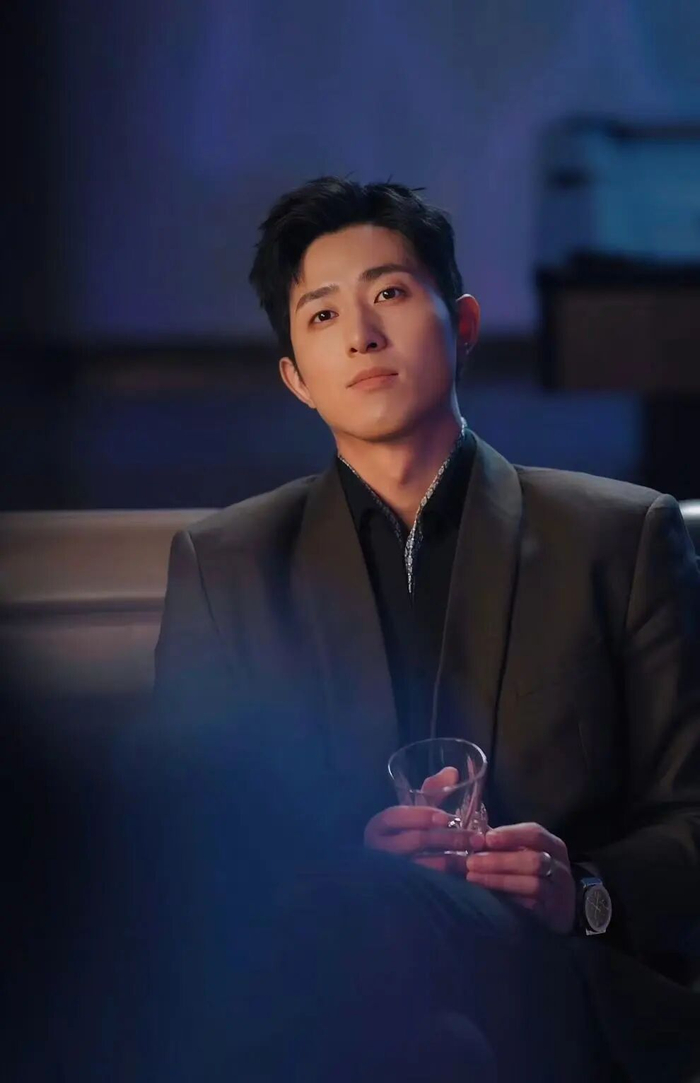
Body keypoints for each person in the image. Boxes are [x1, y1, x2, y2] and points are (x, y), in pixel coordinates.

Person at [152, 177, 700, 1081]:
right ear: (296, 378)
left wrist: (584, 890)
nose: (361, 334)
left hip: (569, 997)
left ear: (465, 323)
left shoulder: (618, 537)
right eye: (322, 315)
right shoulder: (228, 565)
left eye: (391, 293)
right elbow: (178, 847)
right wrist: (358, 881)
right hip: (339, 1014)